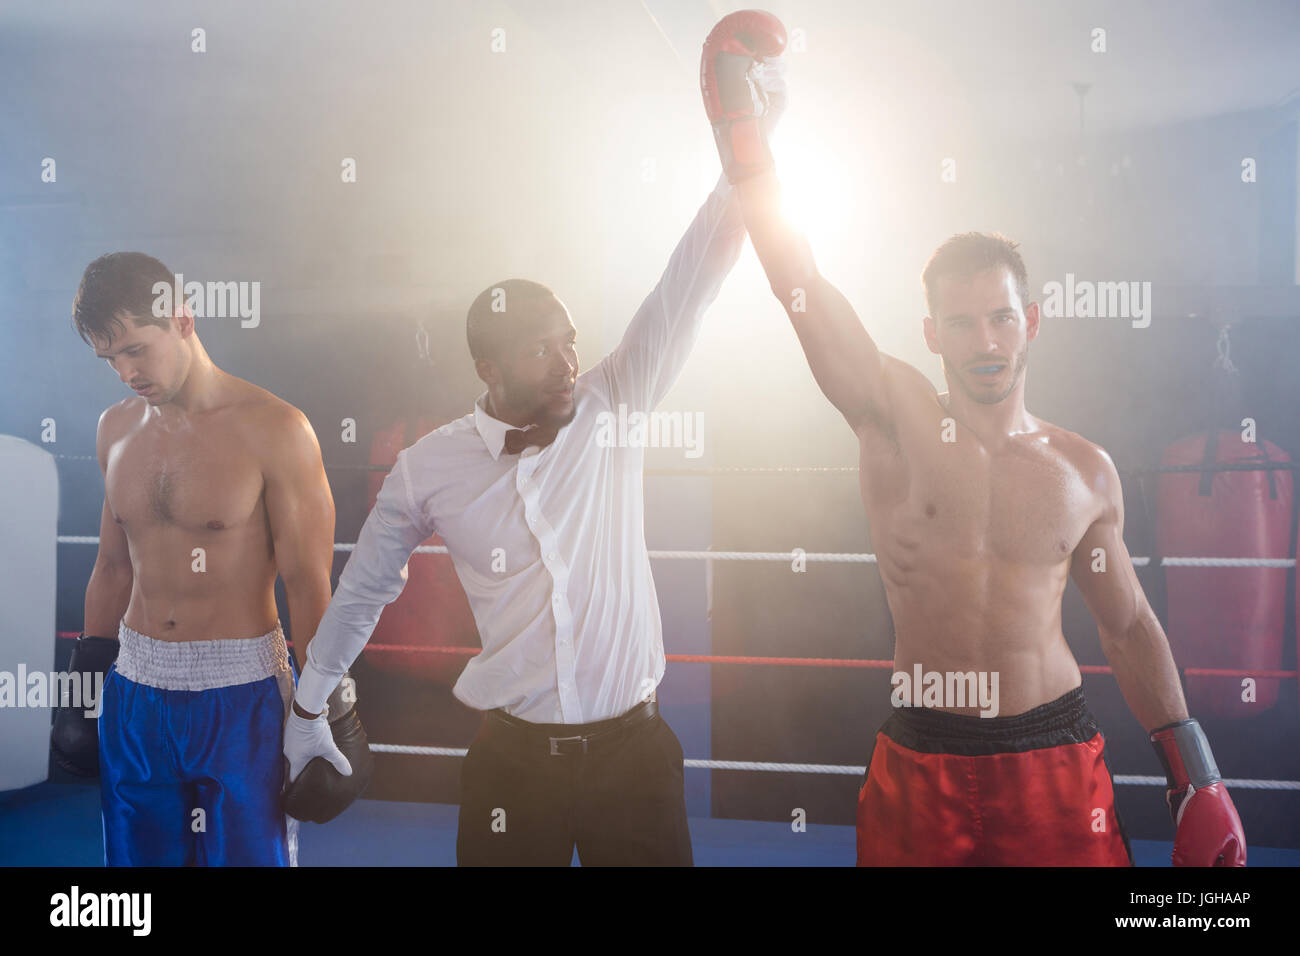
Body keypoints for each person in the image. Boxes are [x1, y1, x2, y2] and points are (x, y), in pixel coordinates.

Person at [705, 15, 1246, 866]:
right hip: (924, 761)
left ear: (1029, 322)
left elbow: (1131, 625)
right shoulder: (891, 413)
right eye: (961, 323)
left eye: (1000, 317)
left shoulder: (1083, 471)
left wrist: (1196, 775)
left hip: (1058, 763)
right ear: (931, 333)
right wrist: (743, 140)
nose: (985, 342)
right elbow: (798, 280)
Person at [281, 14, 785, 864]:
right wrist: (309, 707)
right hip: (513, 766)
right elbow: (364, 588)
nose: (567, 362)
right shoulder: (427, 466)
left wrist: (744, 145)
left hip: (636, 757)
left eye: (570, 340)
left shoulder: (614, 398)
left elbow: (693, 278)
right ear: (488, 366)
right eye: (540, 349)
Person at [61, 251, 352, 865]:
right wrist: (87, 682)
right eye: (109, 358)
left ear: (183, 318)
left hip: (241, 694)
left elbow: (307, 582)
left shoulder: (276, 429)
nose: (124, 372)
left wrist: (327, 707)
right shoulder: (115, 429)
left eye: (136, 349)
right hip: (136, 688)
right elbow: (112, 567)